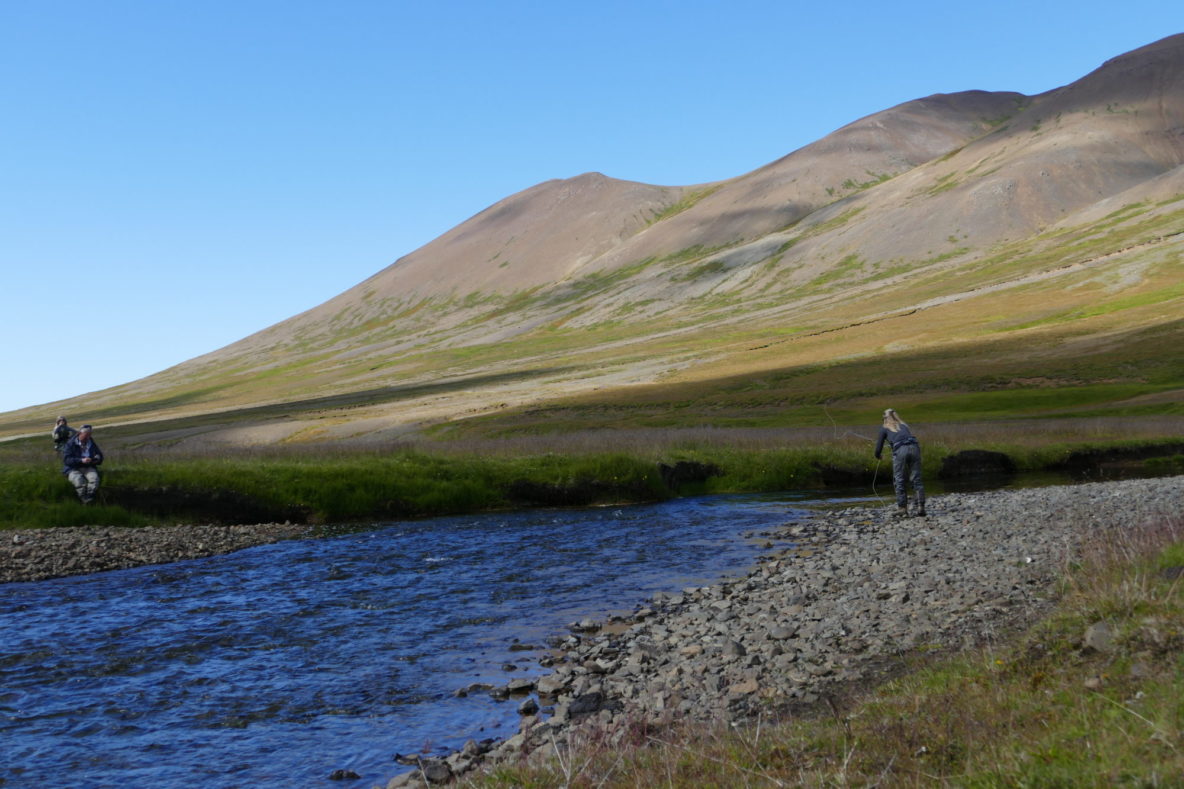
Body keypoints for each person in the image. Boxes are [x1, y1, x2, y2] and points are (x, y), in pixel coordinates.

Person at [873, 408, 926, 517]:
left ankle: (902, 508)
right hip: (914, 447)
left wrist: (878, 456)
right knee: (916, 478)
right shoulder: (904, 425)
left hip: (901, 450)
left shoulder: (884, 428)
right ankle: (921, 507)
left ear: (885, 418)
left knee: (899, 479)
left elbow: (878, 449)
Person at [62, 424, 104, 504]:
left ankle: (89, 497)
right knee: (78, 480)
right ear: (79, 433)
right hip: (73, 468)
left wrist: (95, 459)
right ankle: (83, 498)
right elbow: (67, 460)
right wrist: (81, 460)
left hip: (88, 467)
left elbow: (100, 457)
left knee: (94, 479)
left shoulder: (91, 443)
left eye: (89, 435)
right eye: (86, 435)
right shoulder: (70, 444)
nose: (88, 438)